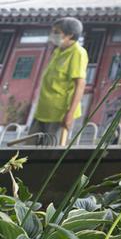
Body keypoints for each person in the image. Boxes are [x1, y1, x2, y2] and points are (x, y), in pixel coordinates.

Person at [30, 17, 88, 145]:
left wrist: (70, 114)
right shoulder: (57, 51)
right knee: (27, 153)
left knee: (49, 154)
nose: (53, 35)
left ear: (70, 35)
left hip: (59, 114)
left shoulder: (78, 53)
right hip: (43, 110)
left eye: (57, 32)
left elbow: (80, 85)